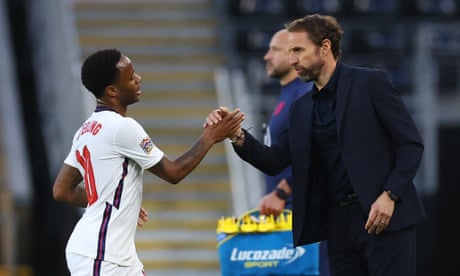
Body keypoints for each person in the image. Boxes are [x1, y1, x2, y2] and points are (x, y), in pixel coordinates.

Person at [208, 14, 425, 276]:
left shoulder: (370, 83)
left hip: (384, 218)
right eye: (289, 53)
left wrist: (390, 195)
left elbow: (410, 144)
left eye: (298, 50)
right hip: (337, 226)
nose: (292, 60)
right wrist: (237, 134)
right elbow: (274, 160)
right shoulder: (302, 107)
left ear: (325, 48)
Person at [52, 48, 244, 275]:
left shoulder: (86, 129)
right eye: (131, 76)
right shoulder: (122, 127)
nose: (138, 78)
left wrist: (115, 201)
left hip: (113, 254)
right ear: (112, 90)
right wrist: (210, 136)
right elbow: (174, 173)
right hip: (101, 254)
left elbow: (62, 190)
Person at [259, 29, 330, 276]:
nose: (266, 56)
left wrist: (281, 191)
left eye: (274, 50)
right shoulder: (288, 94)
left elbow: (319, 150)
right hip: (288, 214)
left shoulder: (304, 94)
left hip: (305, 212)